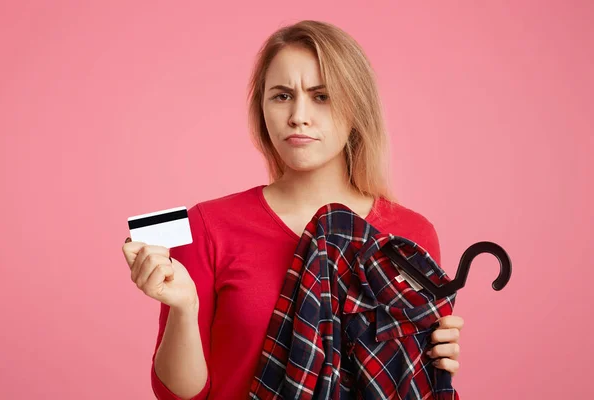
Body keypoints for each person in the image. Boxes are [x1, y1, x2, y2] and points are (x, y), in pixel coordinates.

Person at [122, 20, 465, 400]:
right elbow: (179, 395)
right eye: (282, 96)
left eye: (322, 96)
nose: (298, 115)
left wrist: (431, 357)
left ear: (357, 108)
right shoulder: (207, 225)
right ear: (261, 108)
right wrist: (185, 308)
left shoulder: (411, 233)